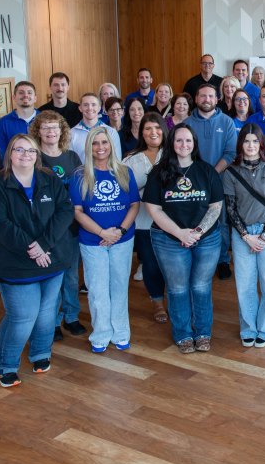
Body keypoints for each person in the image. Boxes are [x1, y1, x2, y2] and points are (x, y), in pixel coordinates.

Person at [0, 133, 76, 387]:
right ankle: (6, 365)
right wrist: (32, 248)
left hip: (52, 258)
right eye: (19, 150)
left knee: (46, 312)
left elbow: (65, 210)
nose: (26, 155)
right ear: (10, 154)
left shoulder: (49, 178)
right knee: (22, 316)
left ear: (37, 155)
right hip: (15, 263)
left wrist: (44, 244)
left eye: (31, 150)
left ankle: (40, 353)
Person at [143, 124, 224, 354]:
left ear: (194, 144)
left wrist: (197, 232)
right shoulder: (159, 172)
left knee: (201, 286)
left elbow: (216, 206)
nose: (184, 145)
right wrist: (180, 233)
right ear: (171, 143)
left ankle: (202, 332)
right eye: (179, 140)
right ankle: (183, 333)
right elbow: (153, 209)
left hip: (206, 238)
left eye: (188, 140)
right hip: (168, 239)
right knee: (177, 288)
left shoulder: (206, 171)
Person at [70, 128, 139, 353]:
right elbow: (77, 211)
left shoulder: (124, 171)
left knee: (119, 287)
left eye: (104, 142)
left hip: (122, 239)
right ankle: (100, 334)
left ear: (111, 145)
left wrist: (119, 231)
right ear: (88, 147)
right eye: (95, 143)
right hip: (93, 241)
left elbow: (134, 205)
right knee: (97, 289)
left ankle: (121, 332)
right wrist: (102, 233)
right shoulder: (79, 175)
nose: (100, 147)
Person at [222, 124, 265, 347]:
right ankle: (248, 328)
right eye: (246, 141)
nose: (250, 146)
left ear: (261, 143)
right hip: (243, 234)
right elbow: (230, 208)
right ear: (240, 144)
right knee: (245, 285)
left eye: (255, 141)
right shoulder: (231, 172)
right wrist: (246, 236)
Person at [28, 111, 87, 340]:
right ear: (38, 132)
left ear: (62, 131)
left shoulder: (72, 157)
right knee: (52, 278)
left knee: (71, 276)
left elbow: (81, 189)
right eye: (45, 128)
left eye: (54, 127)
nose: (51, 132)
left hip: (71, 226)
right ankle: (51, 322)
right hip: (46, 228)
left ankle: (71, 316)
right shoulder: (34, 158)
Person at [186, 83, 238, 279]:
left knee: (221, 222)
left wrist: (212, 174)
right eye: (202, 96)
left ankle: (222, 260)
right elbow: (183, 153)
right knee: (195, 219)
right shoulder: (187, 124)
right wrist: (200, 177)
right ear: (196, 99)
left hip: (220, 181)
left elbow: (231, 153)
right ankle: (197, 257)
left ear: (217, 99)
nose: (206, 99)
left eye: (210, 96)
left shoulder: (227, 122)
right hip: (193, 182)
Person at [122, 113, 169, 323]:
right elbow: (124, 190)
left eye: (157, 128)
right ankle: (157, 301)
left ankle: (174, 298)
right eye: (148, 128)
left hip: (172, 221)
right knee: (150, 263)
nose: (153, 132)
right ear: (141, 132)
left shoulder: (174, 154)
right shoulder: (130, 159)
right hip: (143, 221)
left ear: (164, 130)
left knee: (171, 263)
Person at [69, 93, 122, 161]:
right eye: (85, 105)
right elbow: (70, 162)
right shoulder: (71, 134)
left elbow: (117, 161)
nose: (90, 108)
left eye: (93, 104)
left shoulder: (111, 132)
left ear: (99, 108)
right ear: (80, 108)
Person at [0, 81, 38, 156]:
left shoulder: (45, 120)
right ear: (14, 97)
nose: (26, 95)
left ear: (35, 98)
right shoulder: (2, 123)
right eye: (21, 93)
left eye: (29, 93)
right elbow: (0, 154)